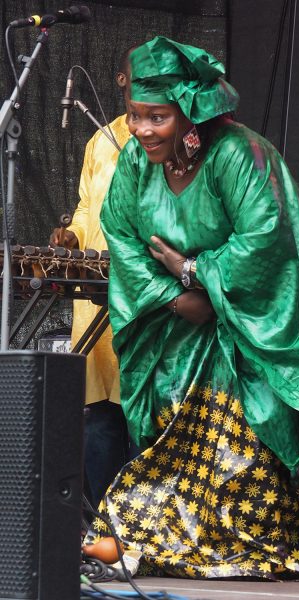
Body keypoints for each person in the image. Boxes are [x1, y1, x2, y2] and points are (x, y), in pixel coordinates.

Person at [84, 36, 299, 580]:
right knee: (176, 446)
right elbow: (124, 238)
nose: (142, 131)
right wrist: (176, 297)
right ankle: (165, 538)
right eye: (135, 116)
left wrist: (195, 271)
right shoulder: (135, 163)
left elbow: (266, 238)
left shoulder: (239, 155)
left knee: (253, 443)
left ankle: (247, 540)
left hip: (268, 319)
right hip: (186, 327)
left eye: (157, 117)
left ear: (188, 112)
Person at [50, 47, 135, 509]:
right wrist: (72, 238)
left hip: (144, 296)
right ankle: (107, 524)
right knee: (99, 418)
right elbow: (87, 208)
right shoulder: (101, 140)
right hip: (96, 296)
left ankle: (149, 529)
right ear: (121, 81)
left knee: (145, 415)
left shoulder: (166, 138)